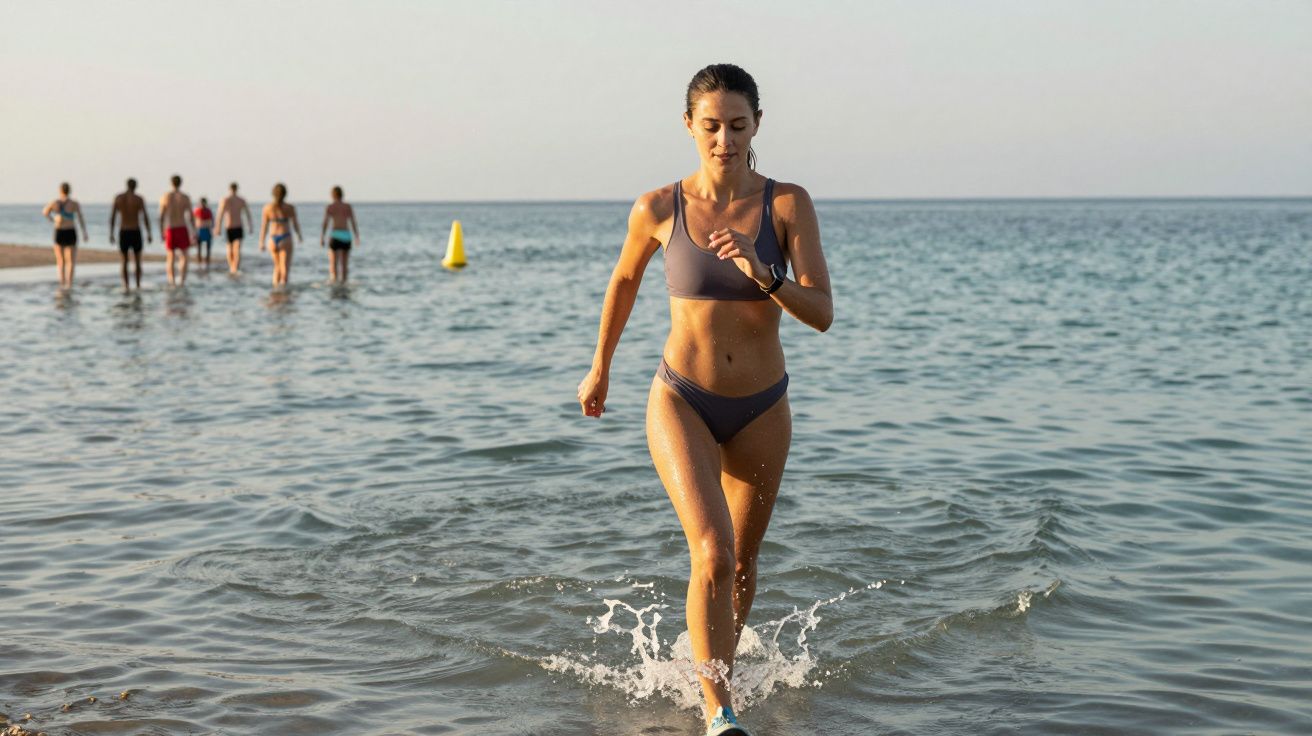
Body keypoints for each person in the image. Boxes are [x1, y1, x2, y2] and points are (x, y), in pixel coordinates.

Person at [577, 64, 832, 736]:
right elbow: (625, 281)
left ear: (757, 126)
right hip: (681, 398)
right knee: (713, 552)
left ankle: (708, 669)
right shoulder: (659, 207)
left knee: (743, 565)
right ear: (688, 125)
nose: (724, 139)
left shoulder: (787, 205)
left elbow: (823, 311)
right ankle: (719, 711)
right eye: (711, 125)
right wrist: (599, 367)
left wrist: (764, 271)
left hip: (762, 407)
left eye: (738, 125)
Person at [42, 182, 88, 289]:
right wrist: (84, 232)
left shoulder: (55, 202)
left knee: (60, 261)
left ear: (60, 190)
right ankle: (69, 284)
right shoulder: (74, 203)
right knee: (71, 261)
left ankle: (62, 283)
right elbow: (80, 218)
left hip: (59, 231)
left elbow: (44, 212)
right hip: (70, 231)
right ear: (69, 190)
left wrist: (53, 220)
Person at [110, 178, 153, 290]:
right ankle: (138, 285)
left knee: (124, 261)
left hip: (123, 231)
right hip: (135, 231)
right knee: (137, 261)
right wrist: (149, 233)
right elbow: (145, 216)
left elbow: (113, 217)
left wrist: (111, 233)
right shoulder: (138, 199)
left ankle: (126, 285)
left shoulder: (119, 198)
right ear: (135, 186)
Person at [259, 183, 301, 287]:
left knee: (276, 267)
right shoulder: (289, 207)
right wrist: (299, 235)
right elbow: (295, 224)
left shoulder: (267, 208)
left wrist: (261, 242)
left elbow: (264, 226)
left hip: (272, 239)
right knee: (285, 268)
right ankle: (284, 293)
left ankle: (275, 292)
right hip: (285, 237)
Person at [158, 175, 196, 286]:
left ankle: (172, 280)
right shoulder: (185, 197)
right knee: (184, 256)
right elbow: (191, 216)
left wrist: (162, 231)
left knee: (170, 256)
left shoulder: (165, 197)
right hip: (181, 227)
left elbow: (161, 216)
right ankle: (182, 280)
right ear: (181, 183)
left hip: (170, 228)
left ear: (171, 183)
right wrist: (193, 231)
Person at [320, 186, 360, 283]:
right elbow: (353, 222)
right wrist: (357, 236)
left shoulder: (330, 206)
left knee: (333, 264)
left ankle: (334, 283)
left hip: (335, 235)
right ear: (342, 194)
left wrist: (322, 236)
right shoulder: (347, 206)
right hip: (346, 235)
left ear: (332, 195)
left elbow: (325, 222)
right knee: (344, 265)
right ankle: (344, 282)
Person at [215, 182, 254, 275]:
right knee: (235, 249)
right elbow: (248, 214)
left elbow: (220, 215)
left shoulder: (226, 200)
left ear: (230, 189)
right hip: (236, 226)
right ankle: (234, 268)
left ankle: (233, 268)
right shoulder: (239, 200)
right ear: (237, 189)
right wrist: (250, 226)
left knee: (231, 248)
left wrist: (218, 227)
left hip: (231, 226)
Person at [193, 197, 215, 268]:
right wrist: (194, 232)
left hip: (207, 230)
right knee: (199, 248)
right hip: (199, 230)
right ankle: (199, 263)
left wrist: (212, 230)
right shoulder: (197, 210)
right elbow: (193, 221)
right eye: (201, 202)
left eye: (203, 202)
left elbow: (212, 221)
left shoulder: (208, 211)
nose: (202, 204)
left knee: (208, 249)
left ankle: (207, 263)